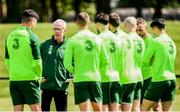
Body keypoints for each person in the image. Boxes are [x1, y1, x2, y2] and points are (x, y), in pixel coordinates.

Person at [64, 12, 108, 111]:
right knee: (98, 110)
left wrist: (76, 71)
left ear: (76, 23)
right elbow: (105, 61)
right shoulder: (98, 39)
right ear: (89, 23)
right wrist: (96, 68)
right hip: (95, 78)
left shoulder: (72, 40)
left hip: (80, 79)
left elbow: (67, 64)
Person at [5, 9, 42, 111]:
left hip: (14, 80)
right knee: (36, 109)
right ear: (33, 21)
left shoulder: (9, 36)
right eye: (36, 23)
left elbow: (7, 60)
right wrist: (38, 77)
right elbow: (37, 62)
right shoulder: (32, 37)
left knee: (17, 110)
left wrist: (14, 73)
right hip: (30, 80)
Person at [141, 19, 176, 111]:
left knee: (144, 108)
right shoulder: (171, 42)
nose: (152, 32)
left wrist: (152, 61)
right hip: (172, 79)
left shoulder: (156, 41)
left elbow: (145, 61)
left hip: (159, 79)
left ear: (156, 28)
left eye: (152, 29)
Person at [40, 19, 71, 111]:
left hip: (62, 86)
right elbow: (35, 61)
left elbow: (75, 62)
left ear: (64, 30)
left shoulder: (70, 46)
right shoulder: (44, 45)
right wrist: (37, 76)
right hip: (45, 86)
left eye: (59, 29)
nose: (56, 31)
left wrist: (71, 76)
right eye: (55, 29)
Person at [95, 12, 122, 111]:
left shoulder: (97, 39)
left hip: (103, 78)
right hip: (116, 77)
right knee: (115, 108)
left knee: (104, 108)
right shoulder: (118, 39)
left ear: (97, 24)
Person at [136, 18, 162, 111]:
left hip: (150, 76)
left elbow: (153, 59)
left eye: (140, 30)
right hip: (141, 77)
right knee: (140, 104)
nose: (138, 32)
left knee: (155, 105)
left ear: (146, 27)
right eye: (136, 30)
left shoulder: (151, 40)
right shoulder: (138, 40)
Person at [124, 17, 145, 111]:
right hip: (139, 76)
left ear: (125, 25)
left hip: (128, 77)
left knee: (123, 107)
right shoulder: (141, 40)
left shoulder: (127, 39)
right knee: (136, 108)